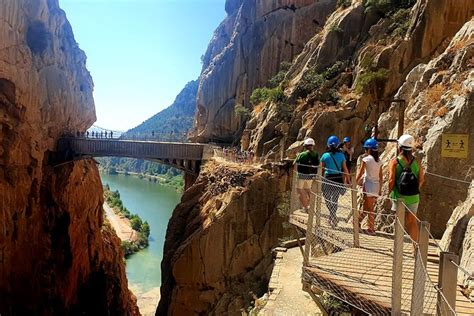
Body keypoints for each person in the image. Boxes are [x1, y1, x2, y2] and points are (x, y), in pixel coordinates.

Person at [389, 134, 425, 245]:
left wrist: (389, 192)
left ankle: (398, 249)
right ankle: (415, 248)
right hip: (413, 197)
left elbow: (391, 180)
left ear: (400, 147)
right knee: (412, 222)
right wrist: (414, 189)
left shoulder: (395, 162)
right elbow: (422, 179)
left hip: (398, 196)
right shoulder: (417, 162)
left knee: (399, 222)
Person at [320, 136, 350, 227]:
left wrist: (318, 178)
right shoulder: (341, 155)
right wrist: (348, 181)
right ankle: (333, 217)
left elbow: (320, 169)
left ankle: (332, 217)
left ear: (328, 145)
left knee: (327, 198)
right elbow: (345, 169)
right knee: (335, 199)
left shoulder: (325, 155)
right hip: (338, 178)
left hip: (328, 178)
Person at [356, 138, 383, 235]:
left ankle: (370, 228)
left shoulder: (366, 159)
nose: (365, 151)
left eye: (366, 149)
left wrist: (354, 183)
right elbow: (381, 177)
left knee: (369, 209)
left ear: (369, 149)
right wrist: (380, 189)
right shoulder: (379, 161)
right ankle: (357, 222)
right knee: (368, 208)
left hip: (368, 186)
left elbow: (360, 173)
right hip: (375, 187)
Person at [294, 138, 319, 212]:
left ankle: (306, 208)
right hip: (311, 176)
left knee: (300, 191)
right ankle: (310, 206)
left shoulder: (301, 154)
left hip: (301, 175)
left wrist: (297, 155)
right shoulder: (316, 154)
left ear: (305, 146)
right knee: (308, 190)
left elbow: (295, 163)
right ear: (312, 145)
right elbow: (317, 163)